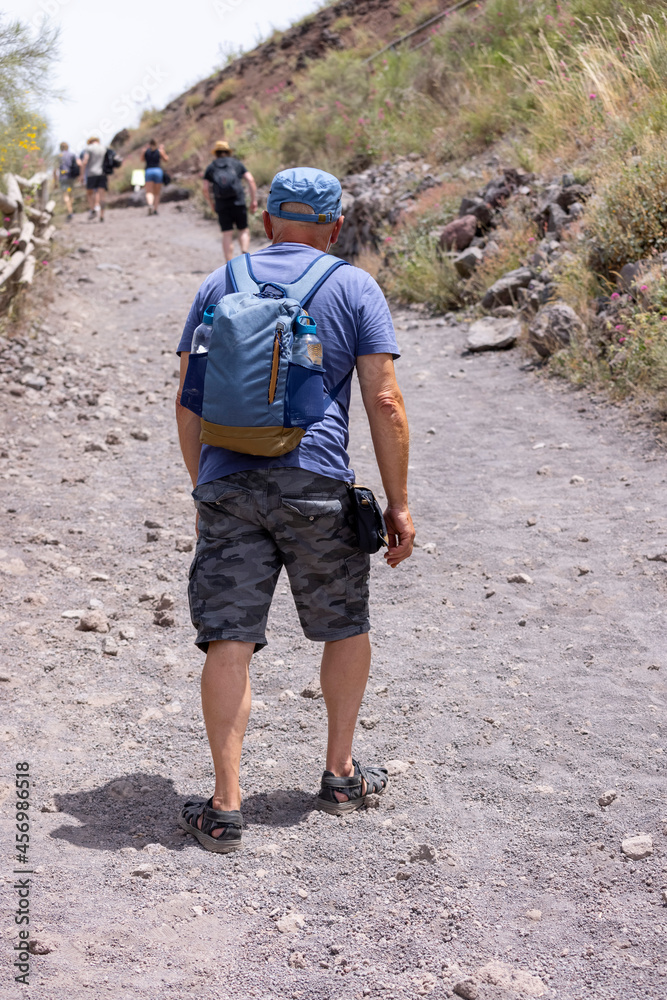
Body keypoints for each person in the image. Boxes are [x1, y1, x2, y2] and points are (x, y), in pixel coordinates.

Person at [175, 166, 415, 853]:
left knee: (230, 639)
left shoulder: (218, 284)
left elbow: (187, 402)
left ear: (266, 214)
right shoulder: (353, 286)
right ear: (335, 226)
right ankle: (340, 775)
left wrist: (205, 489)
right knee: (344, 625)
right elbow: (385, 400)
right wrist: (397, 503)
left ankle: (224, 806)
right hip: (316, 485)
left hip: (229, 484)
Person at [203, 139, 257, 261]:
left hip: (221, 203)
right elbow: (250, 180)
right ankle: (244, 256)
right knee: (243, 229)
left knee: (227, 233)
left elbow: (205, 189)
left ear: (215, 153)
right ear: (228, 152)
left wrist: (211, 203)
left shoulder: (211, 167)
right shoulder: (236, 163)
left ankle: (229, 263)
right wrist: (254, 200)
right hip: (239, 201)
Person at [80, 136, 107, 222]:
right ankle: (102, 215)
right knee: (101, 195)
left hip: (91, 174)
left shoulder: (89, 148)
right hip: (102, 174)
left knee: (89, 193)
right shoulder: (104, 148)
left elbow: (85, 161)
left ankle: (93, 209)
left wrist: (81, 174)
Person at [143, 137, 169, 216]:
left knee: (149, 192)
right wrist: (162, 150)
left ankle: (150, 204)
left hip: (148, 171)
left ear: (149, 144)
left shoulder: (145, 151)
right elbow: (166, 159)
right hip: (158, 171)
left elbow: (142, 159)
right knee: (157, 193)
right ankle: (155, 210)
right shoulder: (159, 151)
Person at [53, 142, 78, 221]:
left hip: (63, 178)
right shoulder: (72, 155)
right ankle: (71, 209)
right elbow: (78, 164)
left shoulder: (59, 156)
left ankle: (69, 211)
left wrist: (55, 182)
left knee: (65, 195)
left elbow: (55, 170)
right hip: (71, 178)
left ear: (60, 147)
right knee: (70, 193)